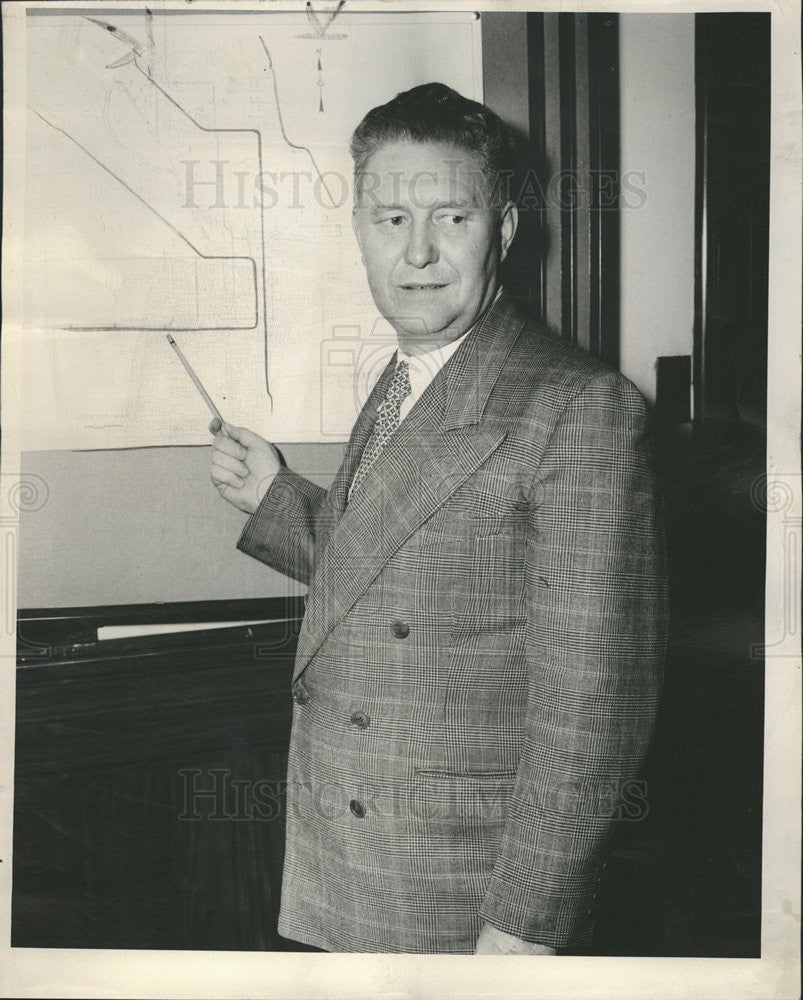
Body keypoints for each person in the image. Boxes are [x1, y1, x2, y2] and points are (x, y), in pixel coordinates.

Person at [209, 83, 668, 955]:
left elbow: (594, 707)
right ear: (359, 231)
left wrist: (524, 926)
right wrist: (275, 499)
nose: (415, 252)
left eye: (450, 218)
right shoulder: (408, 373)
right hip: (350, 854)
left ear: (500, 230)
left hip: (459, 892)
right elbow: (408, 578)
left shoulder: (580, 408)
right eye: (388, 220)